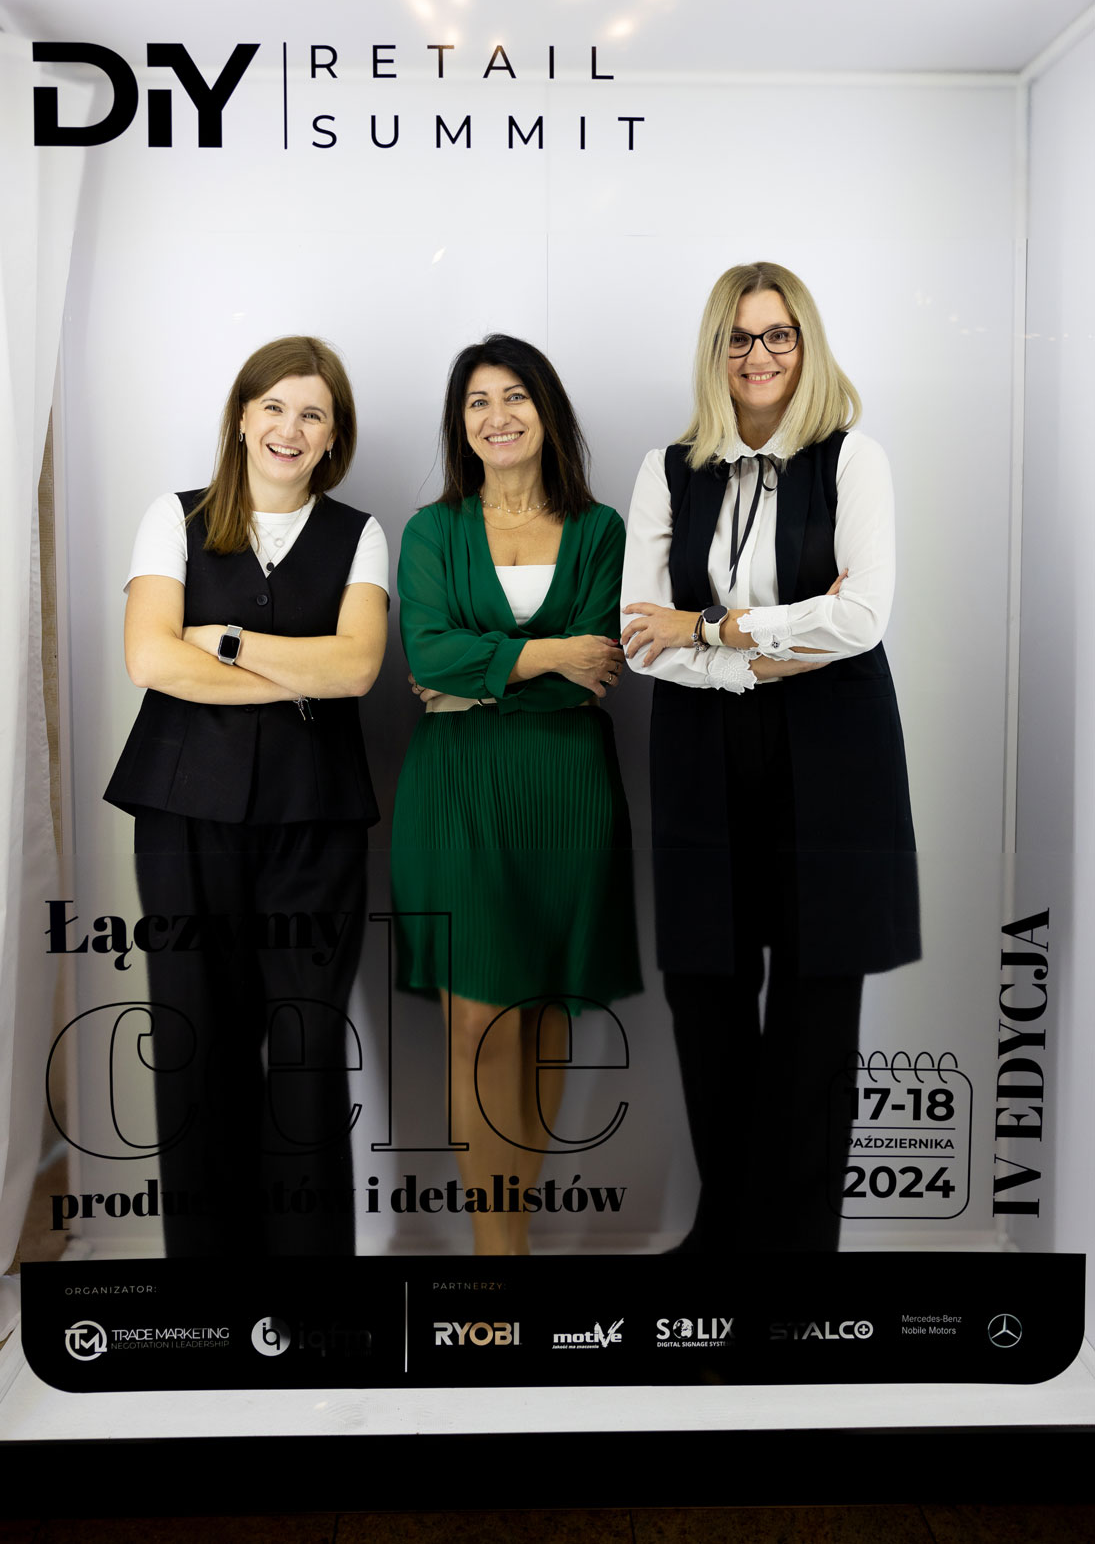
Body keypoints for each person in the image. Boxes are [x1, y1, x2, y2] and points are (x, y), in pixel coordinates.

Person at [621, 262, 919, 1254]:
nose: (759, 355)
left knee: (816, 992)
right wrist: (767, 652)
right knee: (703, 988)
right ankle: (727, 1234)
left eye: (778, 334)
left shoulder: (854, 460)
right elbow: (639, 637)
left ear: (806, 344)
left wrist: (710, 627)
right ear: (716, 352)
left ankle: (796, 1250)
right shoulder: (667, 468)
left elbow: (862, 617)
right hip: (701, 747)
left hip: (835, 752)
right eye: (739, 337)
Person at [104, 336, 388, 1257]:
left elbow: (356, 668)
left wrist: (223, 642)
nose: (288, 428)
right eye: (273, 406)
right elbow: (150, 657)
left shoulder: (360, 534)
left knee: (306, 1049)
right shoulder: (173, 517)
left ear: (333, 434)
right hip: (184, 818)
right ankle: (209, 1292)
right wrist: (296, 679)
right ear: (240, 417)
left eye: (311, 413)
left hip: (317, 824)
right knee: (195, 1042)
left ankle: (312, 1299)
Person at [391, 333, 640, 1256]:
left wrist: (482, 675)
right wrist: (544, 656)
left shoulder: (601, 530)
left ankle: (516, 1243)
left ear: (547, 411)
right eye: (476, 402)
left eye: (514, 396)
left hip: (567, 792)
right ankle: (493, 1263)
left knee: (543, 1016)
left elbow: (597, 668)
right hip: (456, 794)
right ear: (460, 424)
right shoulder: (431, 530)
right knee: (478, 1024)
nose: (496, 416)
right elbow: (426, 655)